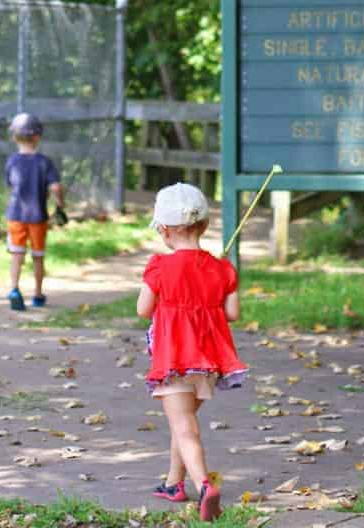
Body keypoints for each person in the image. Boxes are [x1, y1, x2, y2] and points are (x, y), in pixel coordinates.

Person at [136, 182, 247, 522]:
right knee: (183, 422)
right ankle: (174, 484)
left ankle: (204, 485)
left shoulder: (159, 267)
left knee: (184, 427)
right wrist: (224, 278)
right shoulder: (222, 268)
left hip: (174, 362)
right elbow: (232, 314)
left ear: (164, 229)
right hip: (210, 364)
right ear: (205, 226)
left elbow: (143, 309)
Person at [4, 111, 66, 311]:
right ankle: (37, 295)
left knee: (16, 254)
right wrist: (60, 203)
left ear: (14, 136)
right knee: (38, 256)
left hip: (15, 216)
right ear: (37, 136)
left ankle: (14, 289)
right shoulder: (44, 162)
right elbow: (55, 187)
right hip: (38, 217)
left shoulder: (12, 161)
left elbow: (10, 186)